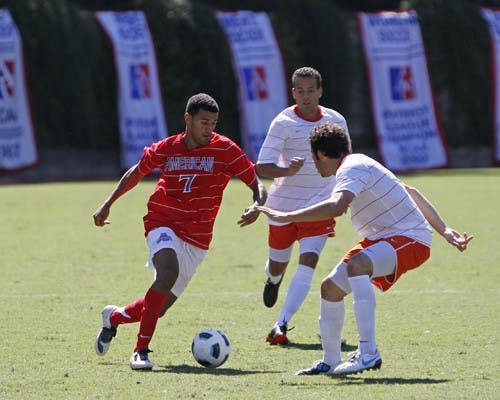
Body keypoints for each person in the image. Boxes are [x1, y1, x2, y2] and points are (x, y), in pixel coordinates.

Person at [256, 122, 473, 376]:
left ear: (321, 154)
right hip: (382, 239)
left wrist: (287, 216)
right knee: (330, 288)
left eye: (313, 158)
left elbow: (337, 206)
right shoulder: (357, 164)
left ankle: (369, 353)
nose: (314, 165)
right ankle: (331, 360)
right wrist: (445, 230)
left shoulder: (351, 168)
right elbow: (410, 191)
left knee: (357, 265)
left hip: (411, 238)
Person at [93, 93, 267, 370]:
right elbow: (136, 173)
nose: (209, 129)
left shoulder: (225, 149)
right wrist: (108, 203)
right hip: (162, 219)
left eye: (213, 123)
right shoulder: (168, 147)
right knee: (167, 272)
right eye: (203, 122)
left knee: (158, 307)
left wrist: (258, 205)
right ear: (188, 119)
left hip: (197, 238)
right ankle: (141, 351)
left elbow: (256, 182)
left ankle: (113, 318)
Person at [255, 67, 351, 345]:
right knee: (277, 264)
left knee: (308, 263)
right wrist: (286, 169)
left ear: (320, 91)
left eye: (311, 91)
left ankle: (281, 324)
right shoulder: (283, 122)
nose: (306, 96)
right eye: (301, 91)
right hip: (282, 208)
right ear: (293, 92)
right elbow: (262, 165)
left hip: (320, 203)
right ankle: (273, 280)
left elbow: (347, 160)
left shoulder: (336, 121)